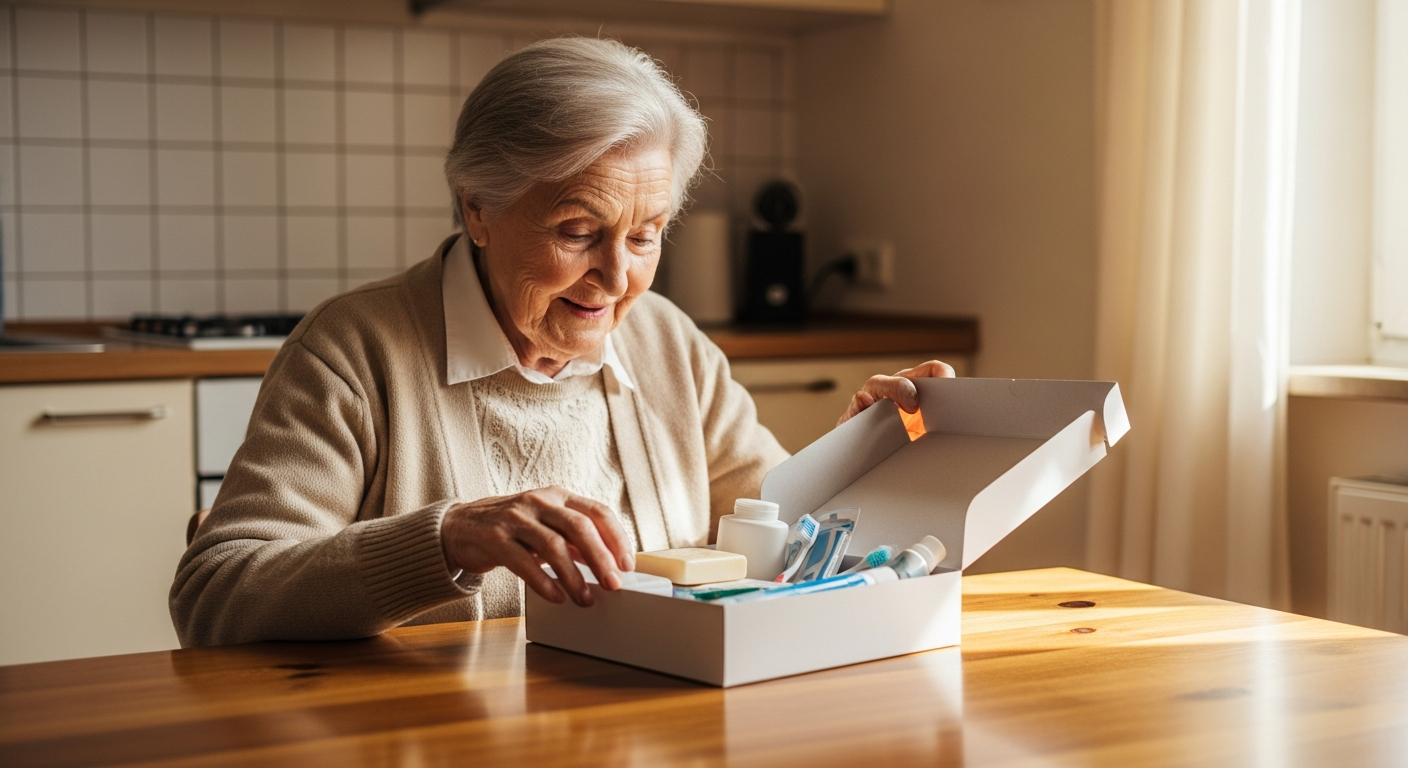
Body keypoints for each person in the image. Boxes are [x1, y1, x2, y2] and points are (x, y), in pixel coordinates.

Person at [170, 37, 954, 647]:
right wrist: (446, 539)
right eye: (578, 231)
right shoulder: (354, 352)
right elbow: (216, 591)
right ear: (477, 209)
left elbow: (773, 539)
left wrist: (862, 459)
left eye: (645, 237)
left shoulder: (667, 343)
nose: (616, 277)